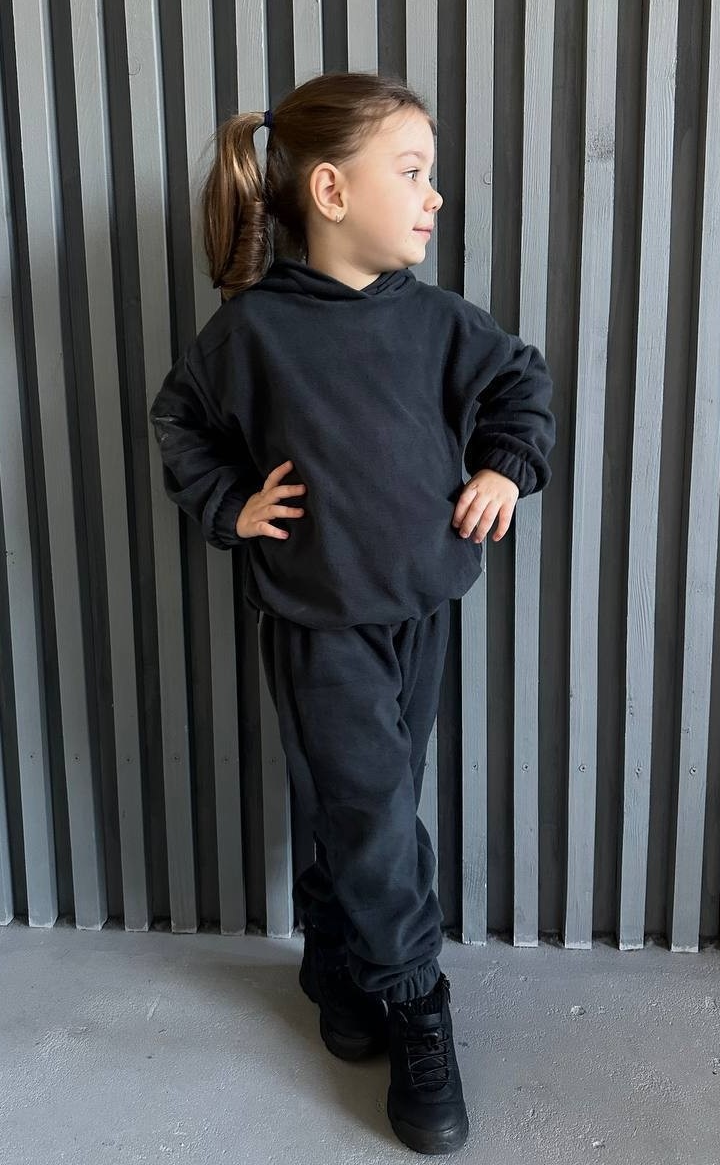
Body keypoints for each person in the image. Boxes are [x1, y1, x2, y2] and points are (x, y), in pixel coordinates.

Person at [148, 69, 556, 1155]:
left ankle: (335, 955)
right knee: (373, 811)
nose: (435, 196)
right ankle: (417, 1002)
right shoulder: (251, 335)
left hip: (422, 608)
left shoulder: (440, 322)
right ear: (331, 191)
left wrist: (504, 468)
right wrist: (233, 504)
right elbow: (181, 423)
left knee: (370, 799)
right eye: (413, 172)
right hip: (318, 617)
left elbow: (522, 384)